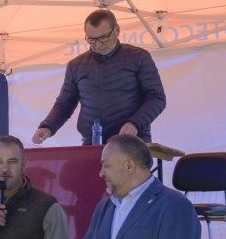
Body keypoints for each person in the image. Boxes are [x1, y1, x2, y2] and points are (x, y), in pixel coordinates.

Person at [32, 9, 166, 146]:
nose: (97, 44)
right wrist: (47, 126)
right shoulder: (76, 66)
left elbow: (157, 97)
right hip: (92, 143)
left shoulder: (138, 57)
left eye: (102, 38)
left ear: (117, 31)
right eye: (91, 39)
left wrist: (135, 123)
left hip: (132, 142)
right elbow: (64, 104)